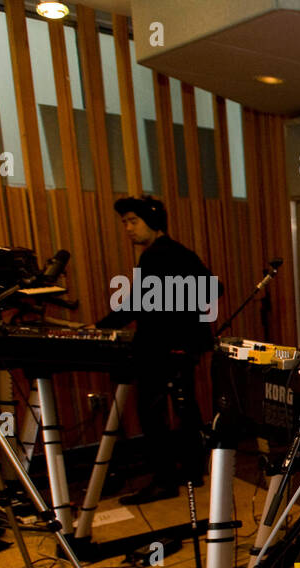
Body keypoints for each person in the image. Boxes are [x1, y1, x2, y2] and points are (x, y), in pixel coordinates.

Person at [98, 196, 216, 504]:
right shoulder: (182, 253)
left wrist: (101, 326)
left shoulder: (155, 256)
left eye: (133, 221)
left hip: (160, 347)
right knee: (184, 405)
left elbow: (138, 301)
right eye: (124, 222)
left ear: (153, 221)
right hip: (185, 346)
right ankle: (192, 471)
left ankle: (164, 480)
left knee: (151, 413)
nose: (128, 228)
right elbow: (213, 289)